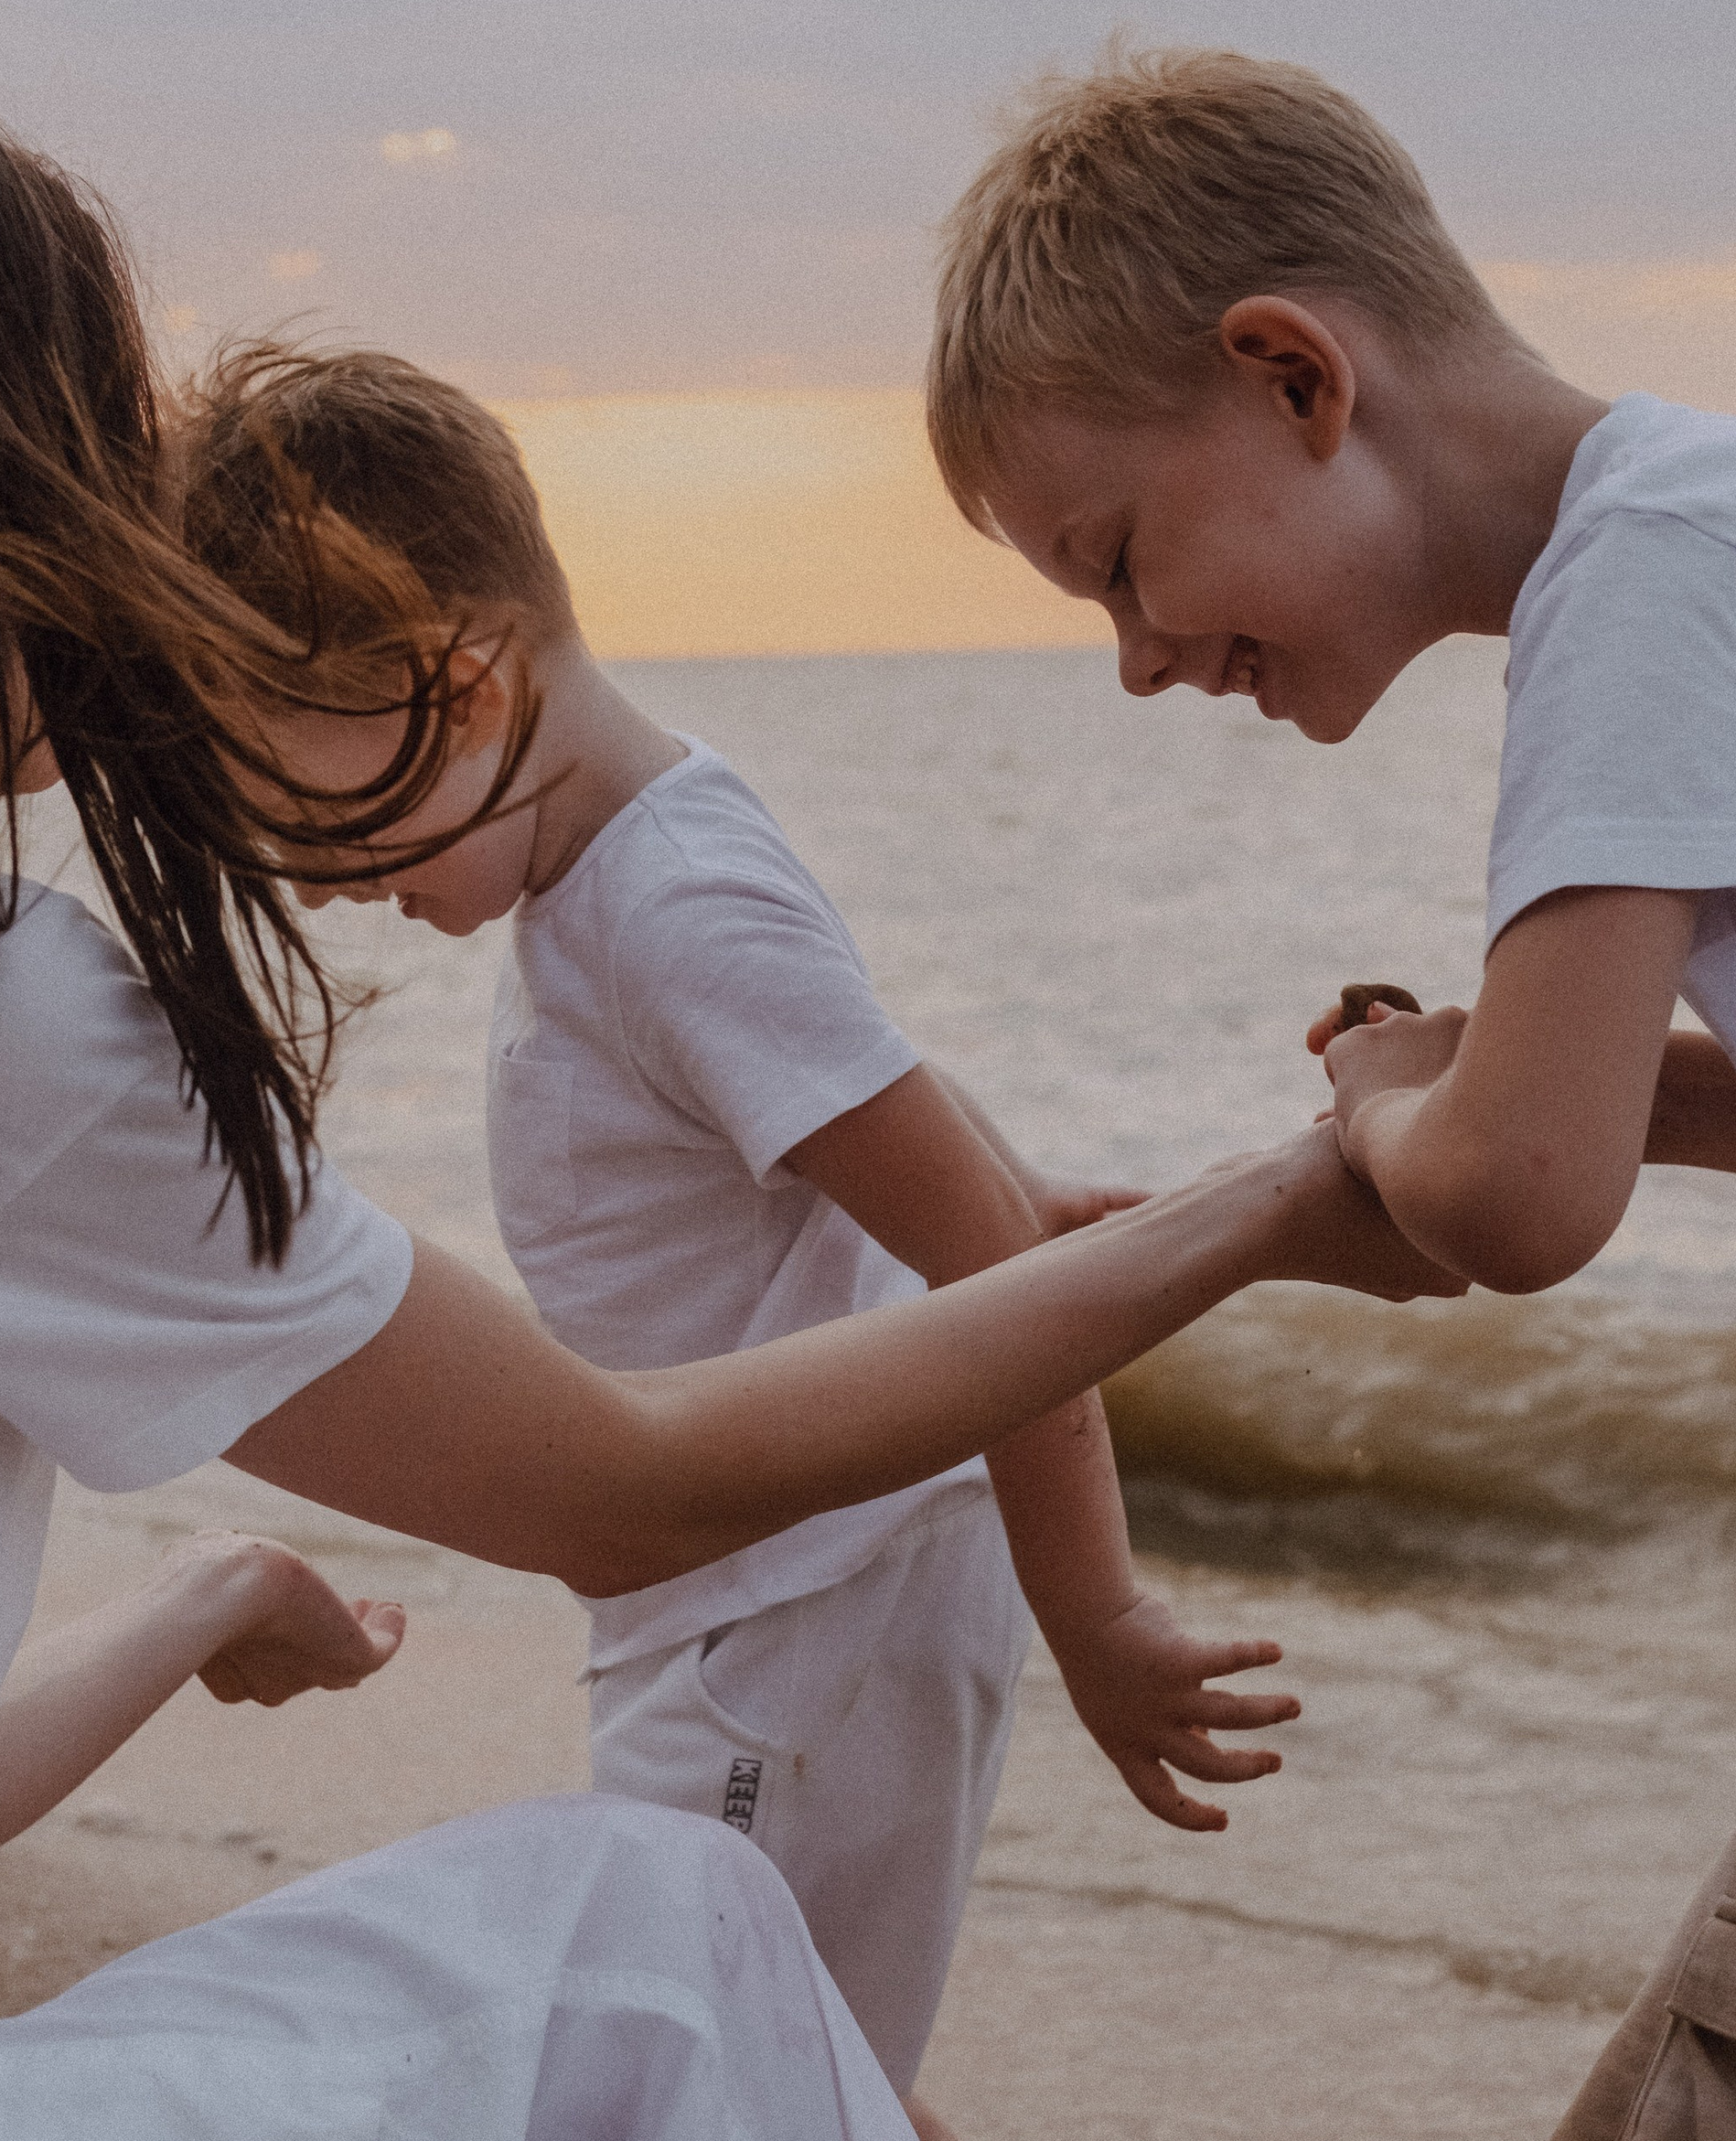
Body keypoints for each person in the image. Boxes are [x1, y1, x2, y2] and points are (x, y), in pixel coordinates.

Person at [0, 39, 1456, 2140]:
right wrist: (1260, 1208)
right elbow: (624, 1479)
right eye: (78, 441)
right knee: (660, 1930)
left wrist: (198, 1593)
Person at [925, 42, 1736, 2139]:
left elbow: (1511, 1196)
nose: (1138, 657)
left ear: (1291, 376)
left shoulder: (1651, 578)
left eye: (1120, 555)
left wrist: (1380, 1117)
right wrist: (1460, 1073)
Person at [176, 348, 1302, 2136]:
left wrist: (1096, 1606)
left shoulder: (665, 896)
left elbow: (999, 1281)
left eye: (295, 796)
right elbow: (893, 1093)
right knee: (785, 2063)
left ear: (461, 678)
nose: (300, 871)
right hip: (754, 1610)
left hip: (799, 1623)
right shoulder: (623, 862)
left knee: (717, 2076)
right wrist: (1011, 1189)